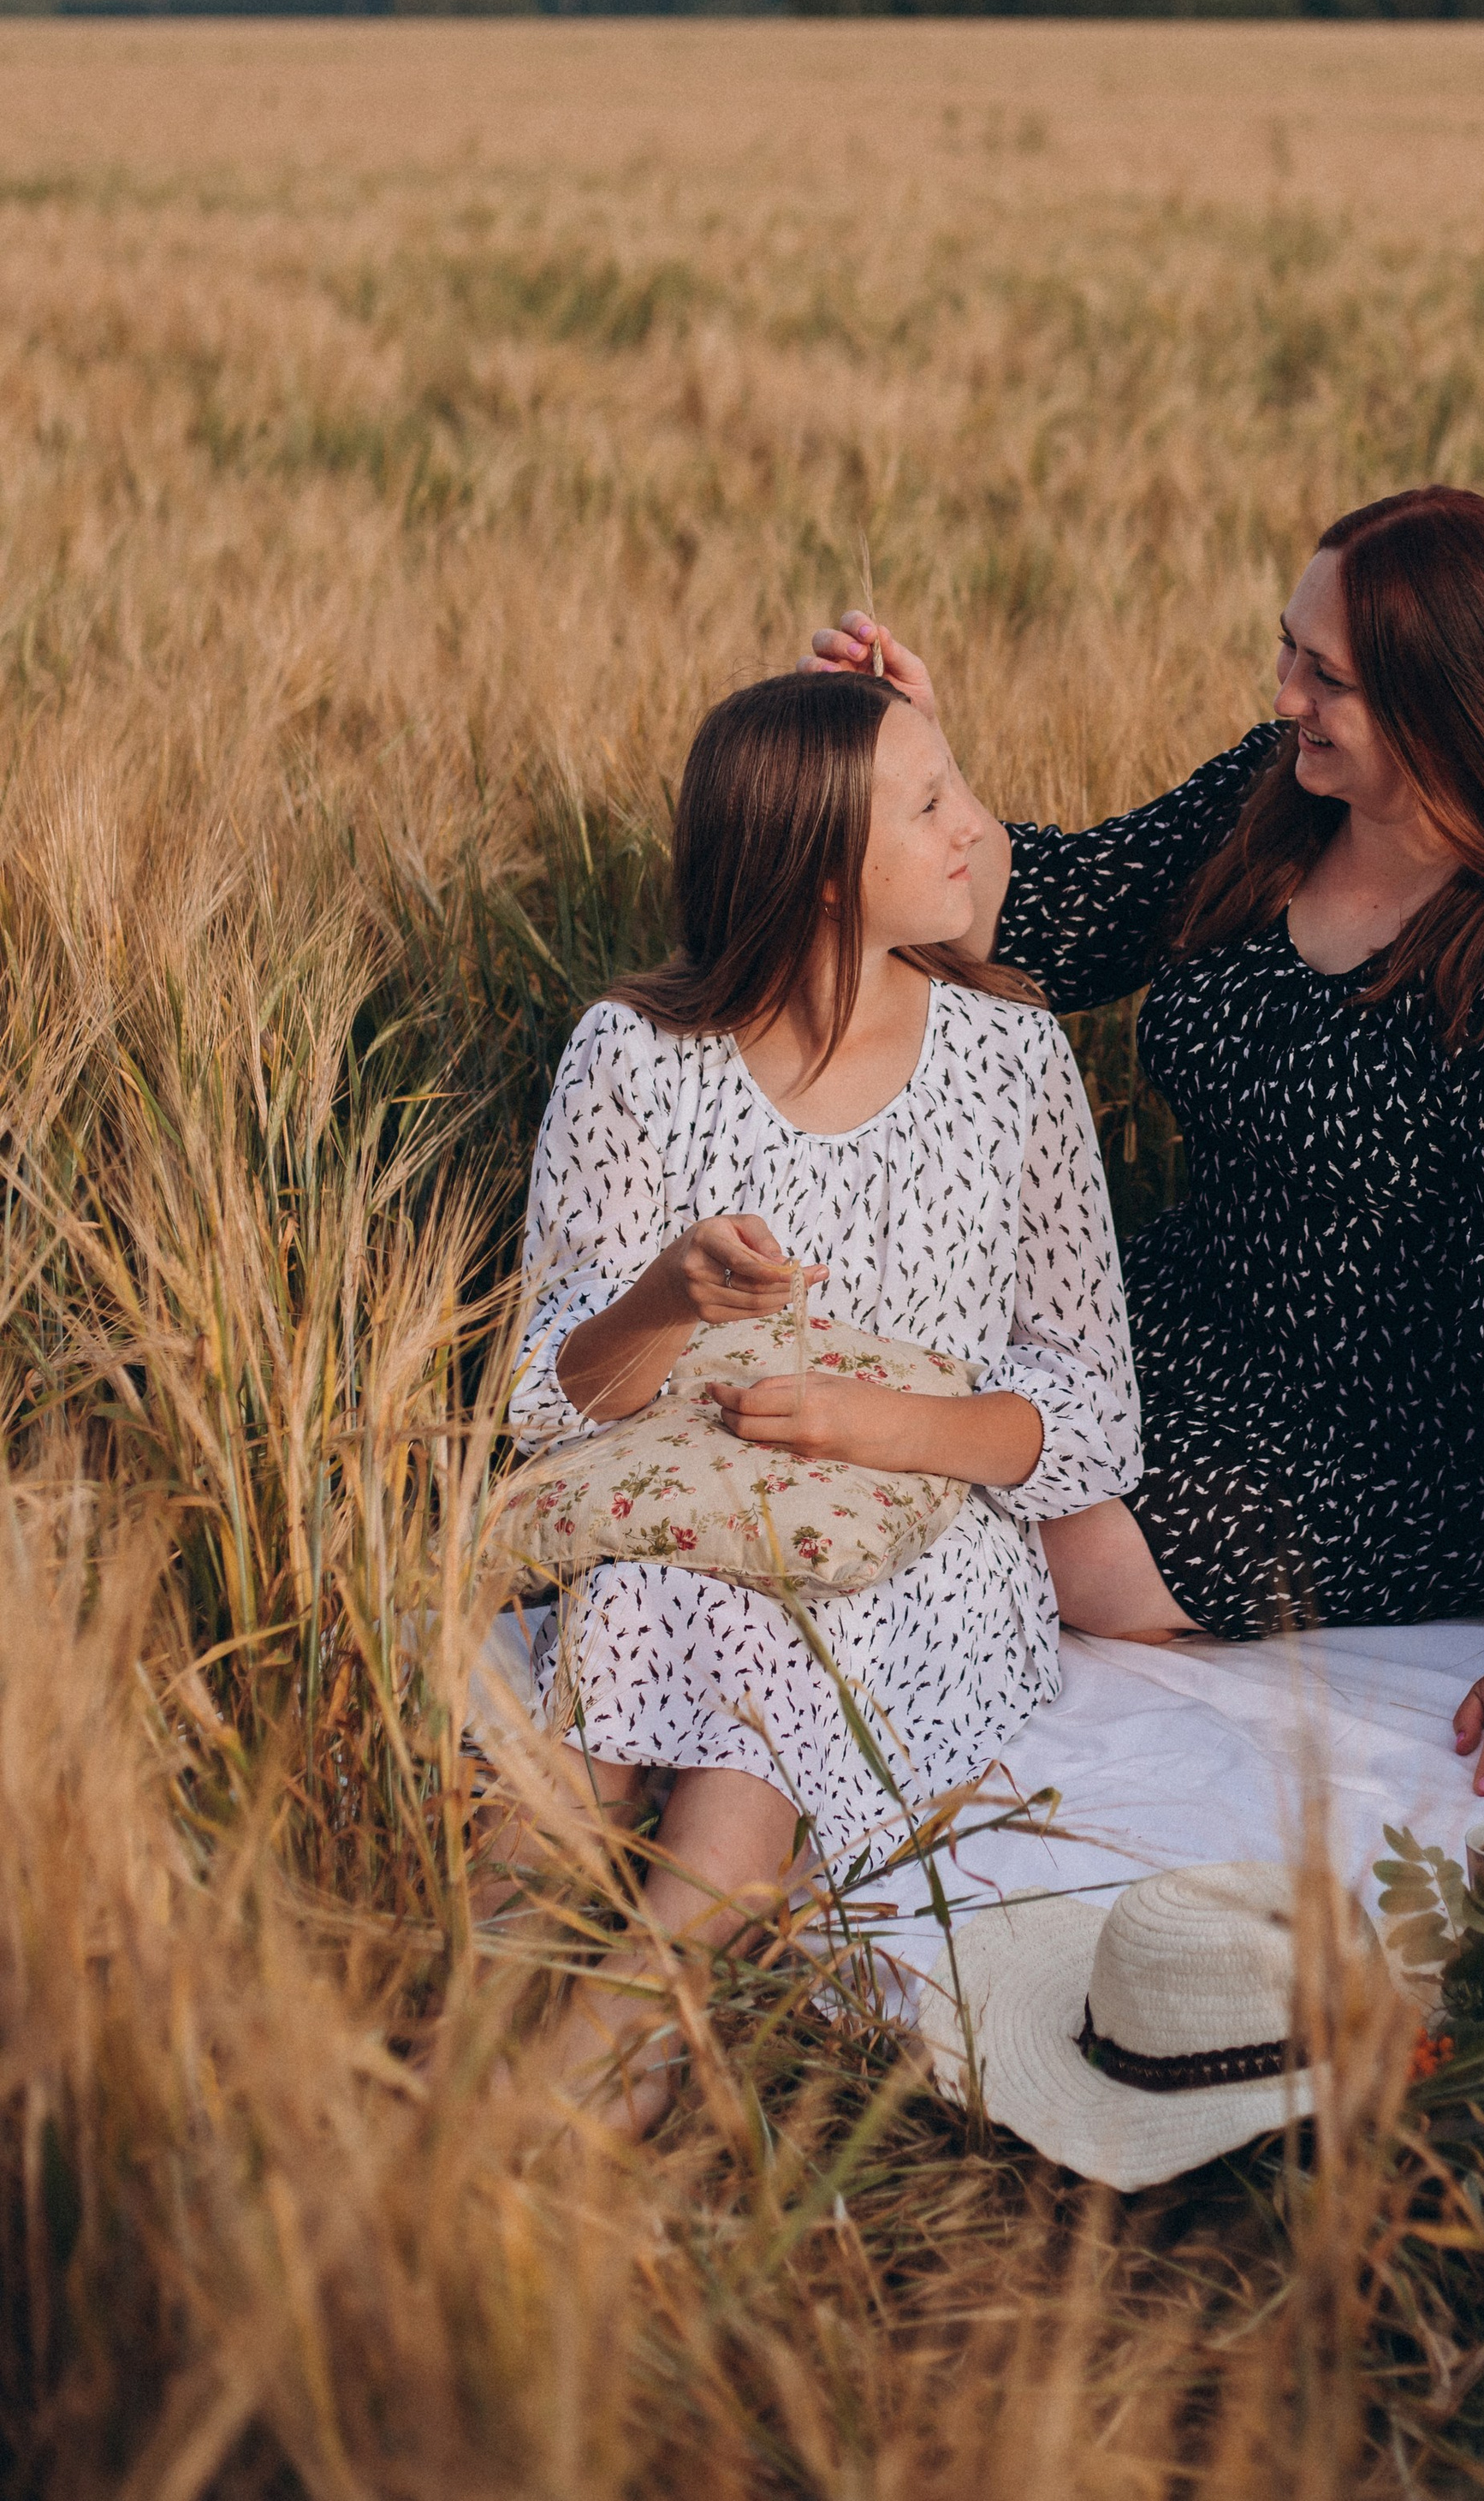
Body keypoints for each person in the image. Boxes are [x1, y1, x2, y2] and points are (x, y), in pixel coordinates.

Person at [803, 484, 1484, 1802]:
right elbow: (1053, 910)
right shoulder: (1276, 798)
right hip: (1189, 1315)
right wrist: (920, 765)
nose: (1285, 695)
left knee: (1068, 1552)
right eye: (1290, 649)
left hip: (1399, 1432)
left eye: (1326, 677)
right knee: (899, 1411)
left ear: (1449, 705)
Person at [509, 670, 1140, 2127]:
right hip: (681, 1512)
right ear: (822, 878)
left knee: (761, 1622)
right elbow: (547, 1406)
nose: (975, 832)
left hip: (923, 1557)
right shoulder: (636, 1058)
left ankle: (615, 2044)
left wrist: (889, 1432)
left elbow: (1098, 1409)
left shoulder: (1011, 1058)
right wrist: (663, 1301)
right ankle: (459, 2003)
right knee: (668, 1622)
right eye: (929, 805)